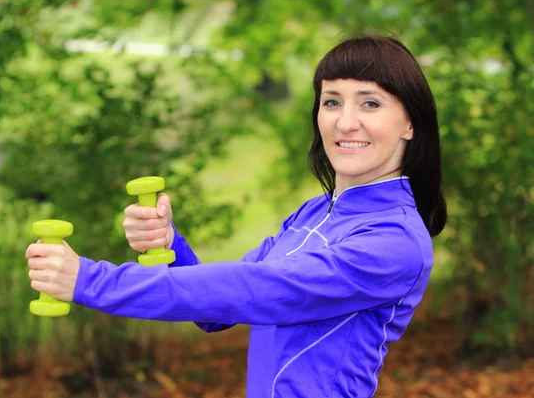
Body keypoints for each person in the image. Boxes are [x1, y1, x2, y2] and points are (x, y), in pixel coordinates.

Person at [25, 35, 447, 397]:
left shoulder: (393, 242)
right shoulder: (315, 214)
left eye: (370, 103)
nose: (346, 122)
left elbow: (257, 288)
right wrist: (170, 244)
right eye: (332, 101)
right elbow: (218, 311)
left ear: (410, 122)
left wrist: (87, 279)